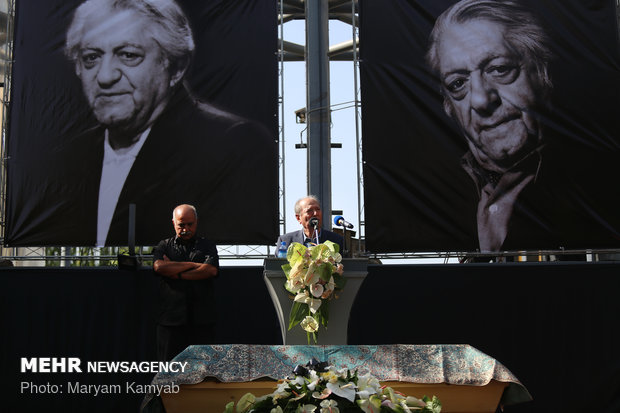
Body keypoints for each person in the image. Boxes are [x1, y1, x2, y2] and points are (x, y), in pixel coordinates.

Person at [59, 0, 274, 246]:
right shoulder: (68, 156)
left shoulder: (236, 146)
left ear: (175, 67)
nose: (106, 76)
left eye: (129, 55)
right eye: (91, 58)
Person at [425, 0, 555, 252]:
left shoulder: (596, 185)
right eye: (457, 84)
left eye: (499, 69)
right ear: (448, 105)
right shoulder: (434, 196)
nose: (481, 99)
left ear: (542, 73)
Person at [152, 204, 219, 362]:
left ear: (196, 222)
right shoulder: (164, 245)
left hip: (202, 319)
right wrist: (194, 265)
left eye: (190, 224)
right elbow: (159, 267)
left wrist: (177, 274)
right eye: (181, 225)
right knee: (169, 370)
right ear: (174, 223)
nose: (186, 228)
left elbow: (211, 270)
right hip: (170, 320)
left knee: (203, 369)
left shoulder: (207, 245)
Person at [276, 196, 344, 255]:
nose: (315, 213)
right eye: (309, 210)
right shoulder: (285, 241)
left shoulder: (336, 240)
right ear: (298, 218)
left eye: (318, 209)